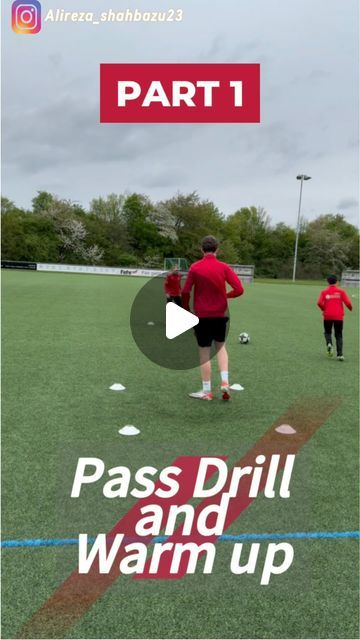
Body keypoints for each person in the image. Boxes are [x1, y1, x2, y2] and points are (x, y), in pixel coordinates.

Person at [182, 235, 244, 400]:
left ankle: (207, 391)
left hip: (202, 316)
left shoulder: (195, 267)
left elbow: (185, 291)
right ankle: (225, 382)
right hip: (219, 315)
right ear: (217, 249)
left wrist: (186, 309)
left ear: (201, 249)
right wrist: (226, 296)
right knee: (221, 347)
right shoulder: (224, 267)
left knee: (204, 352)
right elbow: (239, 289)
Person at [317, 274, 352, 361]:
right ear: (337, 282)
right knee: (339, 334)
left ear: (328, 282)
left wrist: (324, 309)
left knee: (328, 332)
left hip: (327, 316)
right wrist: (350, 308)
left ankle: (329, 343)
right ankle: (340, 355)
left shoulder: (324, 292)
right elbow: (348, 303)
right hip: (338, 316)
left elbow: (319, 302)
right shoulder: (341, 292)